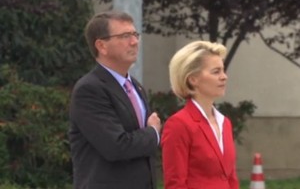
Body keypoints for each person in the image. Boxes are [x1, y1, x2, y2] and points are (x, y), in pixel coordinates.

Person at [69, 10, 161, 189]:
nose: (134, 42)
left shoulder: (136, 87)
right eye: (125, 36)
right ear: (101, 46)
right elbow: (117, 146)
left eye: (135, 34)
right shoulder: (90, 89)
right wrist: (153, 133)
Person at [161, 40, 239, 189]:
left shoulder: (225, 123)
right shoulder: (179, 124)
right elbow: (175, 184)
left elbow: (231, 179)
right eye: (216, 72)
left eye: (223, 70)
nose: (224, 77)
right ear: (192, 79)